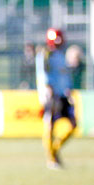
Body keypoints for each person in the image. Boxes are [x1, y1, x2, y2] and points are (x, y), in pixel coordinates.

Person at [37, 28, 77, 170]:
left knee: (73, 125)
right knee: (50, 125)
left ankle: (54, 149)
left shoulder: (61, 55)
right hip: (52, 96)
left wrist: (69, 90)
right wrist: (49, 90)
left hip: (63, 95)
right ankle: (51, 159)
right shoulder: (45, 54)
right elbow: (44, 73)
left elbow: (65, 76)